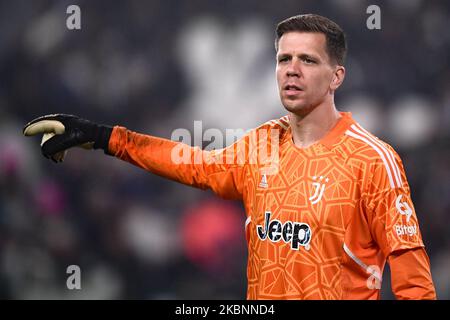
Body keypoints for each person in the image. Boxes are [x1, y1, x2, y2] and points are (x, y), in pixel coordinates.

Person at [23, 14, 436, 300]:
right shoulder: (261, 145)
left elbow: (409, 267)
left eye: (307, 60)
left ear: (337, 76)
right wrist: (103, 136)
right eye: (283, 59)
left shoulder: (372, 159)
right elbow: (191, 164)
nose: (291, 70)